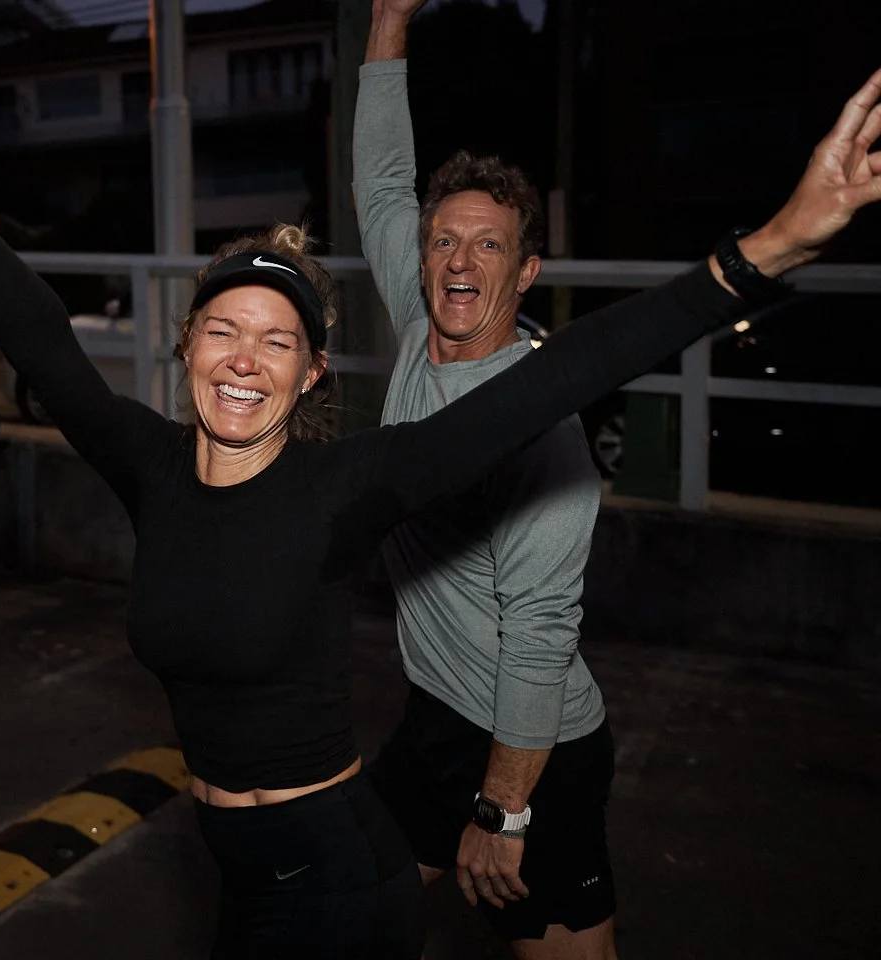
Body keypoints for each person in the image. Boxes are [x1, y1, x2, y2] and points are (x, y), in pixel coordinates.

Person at [0, 20, 880, 957]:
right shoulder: (148, 466)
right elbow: (39, 333)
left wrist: (771, 248)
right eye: (224, 329)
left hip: (336, 878)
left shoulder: (348, 487)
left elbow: (561, 375)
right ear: (185, 348)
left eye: (278, 341)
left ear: (309, 377)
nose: (246, 358)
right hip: (249, 862)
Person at [354, 2, 620, 955]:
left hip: (531, 746)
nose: (459, 262)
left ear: (527, 270)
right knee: (345, 909)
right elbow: (382, 179)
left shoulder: (539, 425)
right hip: (434, 715)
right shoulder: (425, 321)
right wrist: (390, 19)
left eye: (489, 245)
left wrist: (505, 810)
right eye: (443, 240)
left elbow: (542, 629)